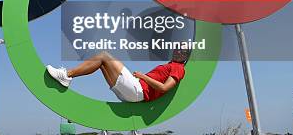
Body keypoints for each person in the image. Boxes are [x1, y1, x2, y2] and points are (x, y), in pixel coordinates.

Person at [46, 49, 189, 102]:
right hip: (132, 92)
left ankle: (67, 75)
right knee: (102, 63)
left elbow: (164, 88)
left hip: (138, 89)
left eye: (182, 51)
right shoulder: (172, 65)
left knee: (104, 55)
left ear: (185, 57)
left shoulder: (178, 68)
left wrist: (143, 76)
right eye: (178, 49)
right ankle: (66, 76)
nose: (177, 51)